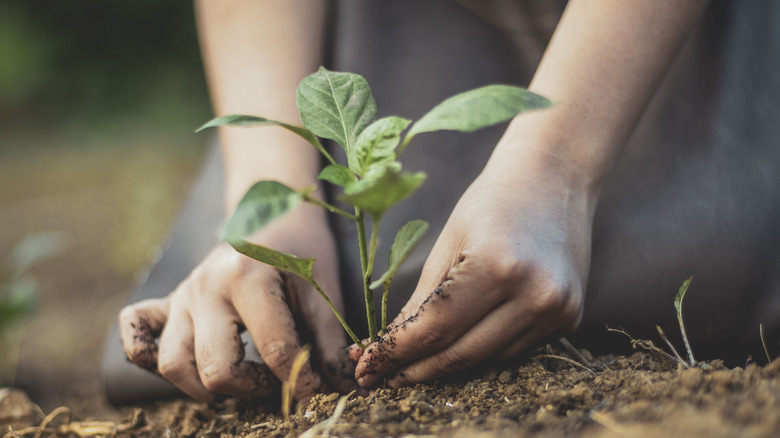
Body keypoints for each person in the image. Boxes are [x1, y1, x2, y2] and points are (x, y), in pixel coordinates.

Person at [108, 0, 780, 404]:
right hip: (368, 30)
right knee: (244, 320)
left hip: (645, 42)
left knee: (696, 263)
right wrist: (274, 197)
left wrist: (557, 165)